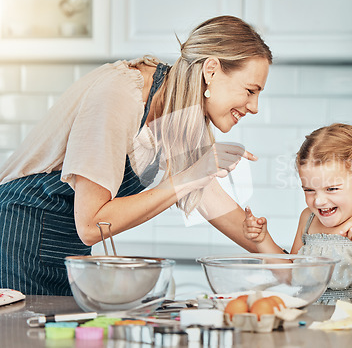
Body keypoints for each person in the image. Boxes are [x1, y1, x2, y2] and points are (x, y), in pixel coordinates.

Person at [0, 15, 272, 295]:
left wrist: (285, 260)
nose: (254, 107)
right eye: (250, 91)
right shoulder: (120, 94)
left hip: (66, 247)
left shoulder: (177, 110)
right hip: (20, 235)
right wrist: (190, 176)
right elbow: (92, 224)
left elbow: (210, 198)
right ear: (211, 70)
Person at [243, 123, 352, 305]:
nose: (318, 201)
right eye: (309, 190)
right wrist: (262, 239)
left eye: (332, 189)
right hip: (308, 318)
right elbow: (290, 277)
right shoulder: (308, 218)